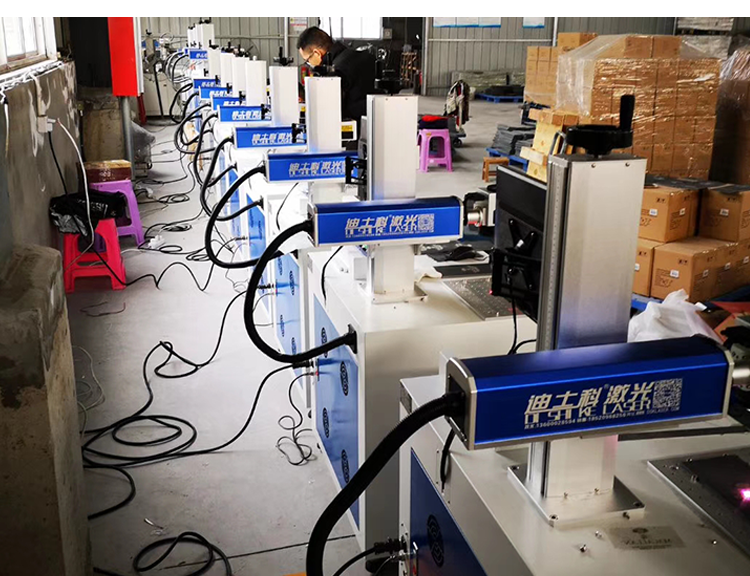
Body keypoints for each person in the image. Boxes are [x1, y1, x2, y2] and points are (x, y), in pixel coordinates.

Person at [297, 26, 377, 125]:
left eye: (307, 60)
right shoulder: (360, 57)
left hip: (356, 128)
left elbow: (329, 110)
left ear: (317, 53)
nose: (308, 64)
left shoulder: (334, 73)